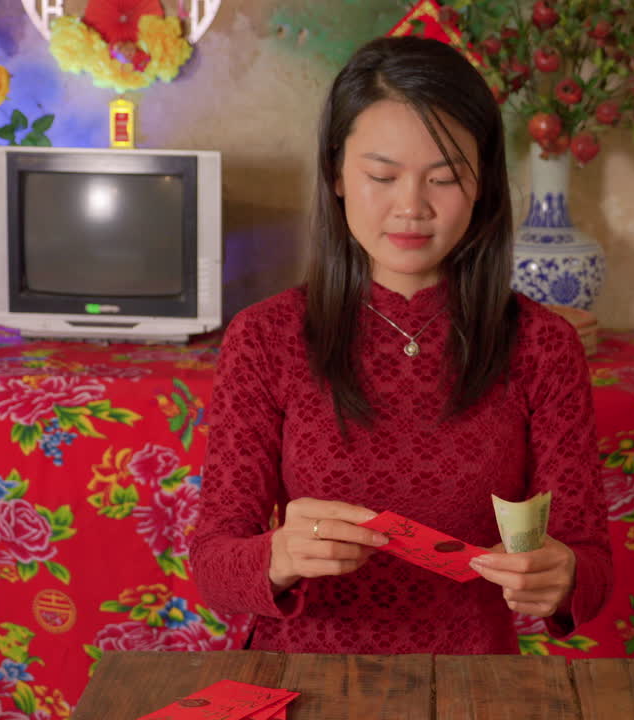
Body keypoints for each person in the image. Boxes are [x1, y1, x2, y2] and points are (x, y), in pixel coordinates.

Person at [188, 35, 611, 655]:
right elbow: (214, 565)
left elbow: (591, 563)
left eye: (443, 179)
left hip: (470, 676)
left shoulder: (543, 346)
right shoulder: (265, 339)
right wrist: (277, 557)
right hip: (302, 671)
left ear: (483, 185)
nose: (411, 207)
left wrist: (562, 574)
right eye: (382, 176)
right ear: (335, 172)